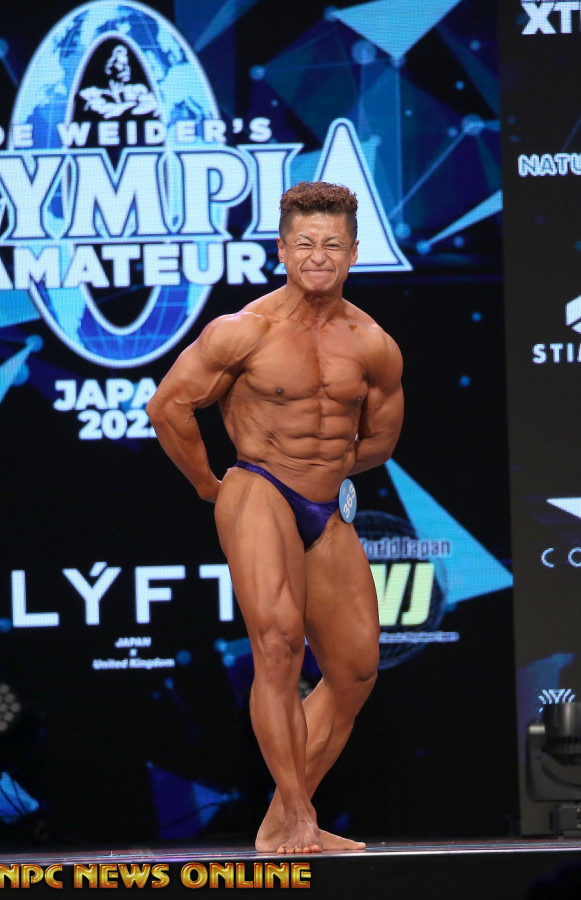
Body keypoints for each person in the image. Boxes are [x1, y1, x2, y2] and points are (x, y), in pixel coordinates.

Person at [147, 181, 404, 854]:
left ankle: (281, 821)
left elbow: (381, 439)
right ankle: (298, 816)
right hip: (258, 486)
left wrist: (330, 471)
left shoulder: (373, 343)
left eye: (332, 245)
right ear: (282, 250)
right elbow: (168, 407)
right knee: (280, 643)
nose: (319, 256)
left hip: (326, 503)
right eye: (305, 244)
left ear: (354, 252)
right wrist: (210, 486)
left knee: (355, 671)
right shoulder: (243, 331)